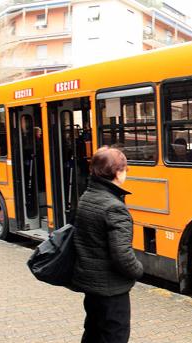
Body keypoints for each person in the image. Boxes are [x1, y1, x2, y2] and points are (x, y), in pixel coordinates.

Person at [72, 146, 144, 343]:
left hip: (91, 287)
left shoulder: (87, 197)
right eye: (125, 169)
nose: (126, 173)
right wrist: (138, 270)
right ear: (116, 172)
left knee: (93, 333)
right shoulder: (114, 207)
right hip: (112, 290)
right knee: (114, 336)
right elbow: (122, 255)